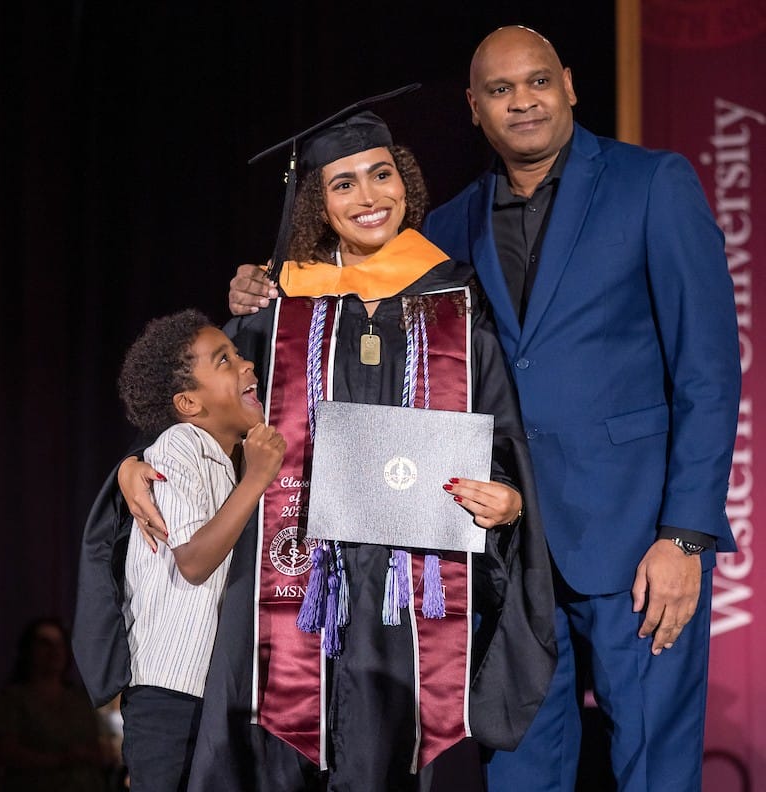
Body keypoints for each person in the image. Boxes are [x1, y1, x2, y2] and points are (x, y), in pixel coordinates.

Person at [226, 27, 742, 792]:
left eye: (537, 82)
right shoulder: (447, 230)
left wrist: (685, 538)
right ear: (475, 108)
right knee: (521, 768)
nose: (521, 101)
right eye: (500, 91)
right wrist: (257, 291)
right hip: (497, 551)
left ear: (569, 84)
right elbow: (358, 297)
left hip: (633, 540)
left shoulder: (652, 184)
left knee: (654, 770)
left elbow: (707, 367)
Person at [119, 100, 556, 790]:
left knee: (388, 752)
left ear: (405, 182)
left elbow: (499, 439)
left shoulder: (457, 303)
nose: (368, 196)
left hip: (406, 590)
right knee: (272, 753)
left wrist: (507, 502)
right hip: (291, 574)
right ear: (317, 203)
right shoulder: (279, 307)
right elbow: (201, 414)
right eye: (343, 183)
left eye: (381, 175)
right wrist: (134, 463)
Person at [75, 308, 286, 792]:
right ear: (189, 402)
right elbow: (191, 560)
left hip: (207, 692)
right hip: (168, 694)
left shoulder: (225, 459)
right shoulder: (177, 445)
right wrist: (256, 479)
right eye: (225, 360)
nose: (247, 365)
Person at [0, 618, 107, 792]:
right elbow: (5, 751)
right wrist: (60, 759)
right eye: (45, 644)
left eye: (59, 644)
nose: (54, 651)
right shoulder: (13, 699)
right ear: (28, 650)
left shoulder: (80, 700)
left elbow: (96, 747)